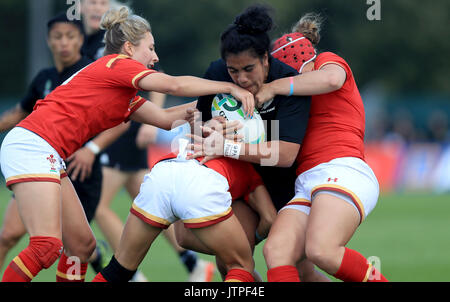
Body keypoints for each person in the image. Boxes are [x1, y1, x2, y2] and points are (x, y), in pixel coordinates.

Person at [0, 5, 254, 282]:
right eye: (151, 48)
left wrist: (219, 105)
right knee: (46, 246)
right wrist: (227, 87)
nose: (155, 57)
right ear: (130, 48)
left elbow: (166, 118)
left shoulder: (121, 90)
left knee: (82, 246)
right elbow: (173, 86)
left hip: (45, 151)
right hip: (33, 146)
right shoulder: (117, 65)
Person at [183, 4, 329, 282]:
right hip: (241, 181)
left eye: (248, 69)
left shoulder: (288, 82)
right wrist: (209, 130)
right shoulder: (217, 74)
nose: (241, 78)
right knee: (225, 255)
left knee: (301, 269)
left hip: (284, 185)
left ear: (265, 59)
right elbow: (199, 126)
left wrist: (228, 146)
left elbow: (285, 155)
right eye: (233, 71)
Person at [255, 13, 389, 282]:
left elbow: (331, 80)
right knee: (277, 251)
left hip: (342, 168)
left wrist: (275, 87)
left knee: (321, 250)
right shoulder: (290, 99)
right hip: (308, 182)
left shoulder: (326, 61)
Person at [0, 12, 128, 281]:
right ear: (48, 41)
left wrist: (90, 150)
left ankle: (120, 269)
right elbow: (18, 114)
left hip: (79, 171)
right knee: (11, 235)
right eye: (57, 37)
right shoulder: (44, 77)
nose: (64, 43)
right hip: (39, 163)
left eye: (70, 36)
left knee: (77, 245)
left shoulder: (91, 73)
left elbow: (123, 118)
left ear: (81, 40)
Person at [92, 137, 277, 282]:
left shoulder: (199, 142)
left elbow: (183, 238)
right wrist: (250, 240)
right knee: (241, 265)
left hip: (162, 171)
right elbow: (269, 218)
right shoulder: (249, 167)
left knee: (120, 268)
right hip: (200, 183)